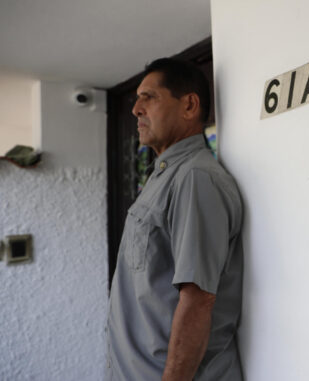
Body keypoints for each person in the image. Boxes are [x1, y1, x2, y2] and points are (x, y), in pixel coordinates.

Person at [106, 58, 244, 381]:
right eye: (137, 98)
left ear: (189, 105)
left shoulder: (195, 179)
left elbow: (197, 301)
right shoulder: (164, 177)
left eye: (149, 97)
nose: (136, 109)